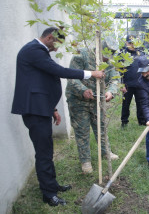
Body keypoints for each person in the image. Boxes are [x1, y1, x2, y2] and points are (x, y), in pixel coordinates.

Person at [11, 27, 104, 206]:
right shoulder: (33, 50)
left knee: (47, 149)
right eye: (57, 44)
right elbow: (59, 71)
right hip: (35, 111)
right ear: (49, 37)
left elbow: (40, 81)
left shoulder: (37, 51)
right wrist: (91, 73)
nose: (57, 49)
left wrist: (52, 108)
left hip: (40, 108)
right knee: (44, 153)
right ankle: (49, 194)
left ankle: (52, 185)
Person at [66, 46, 120, 174]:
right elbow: (72, 77)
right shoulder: (81, 55)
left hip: (97, 100)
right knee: (82, 130)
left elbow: (115, 79)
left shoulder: (110, 61)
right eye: (106, 54)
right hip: (78, 100)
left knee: (101, 126)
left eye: (111, 54)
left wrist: (111, 91)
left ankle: (106, 152)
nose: (108, 58)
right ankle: (85, 161)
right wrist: (83, 90)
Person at [119, 35, 146, 127]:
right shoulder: (122, 54)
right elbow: (119, 70)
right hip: (127, 84)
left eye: (133, 43)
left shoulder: (141, 53)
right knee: (126, 104)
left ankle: (141, 121)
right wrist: (121, 84)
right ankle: (124, 122)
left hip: (139, 84)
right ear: (126, 43)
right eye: (130, 43)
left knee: (140, 104)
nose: (132, 45)